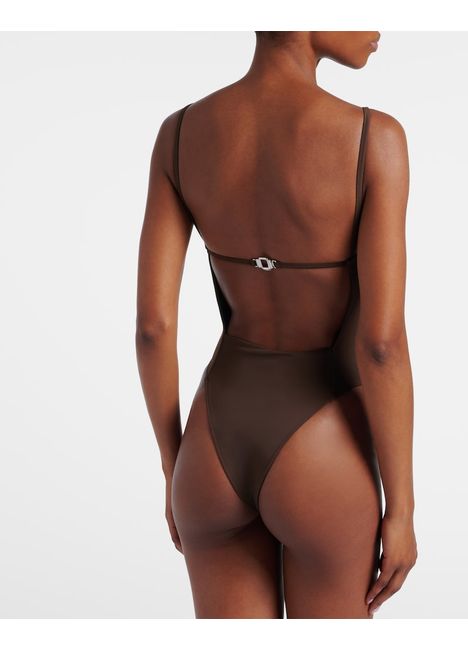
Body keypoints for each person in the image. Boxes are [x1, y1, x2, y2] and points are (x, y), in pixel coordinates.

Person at [135, 31, 417, 618]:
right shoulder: (373, 139)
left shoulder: (180, 134)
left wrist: (173, 466)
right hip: (322, 443)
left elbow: (153, 327)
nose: (377, 24)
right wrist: (402, 507)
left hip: (212, 440)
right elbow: (382, 345)